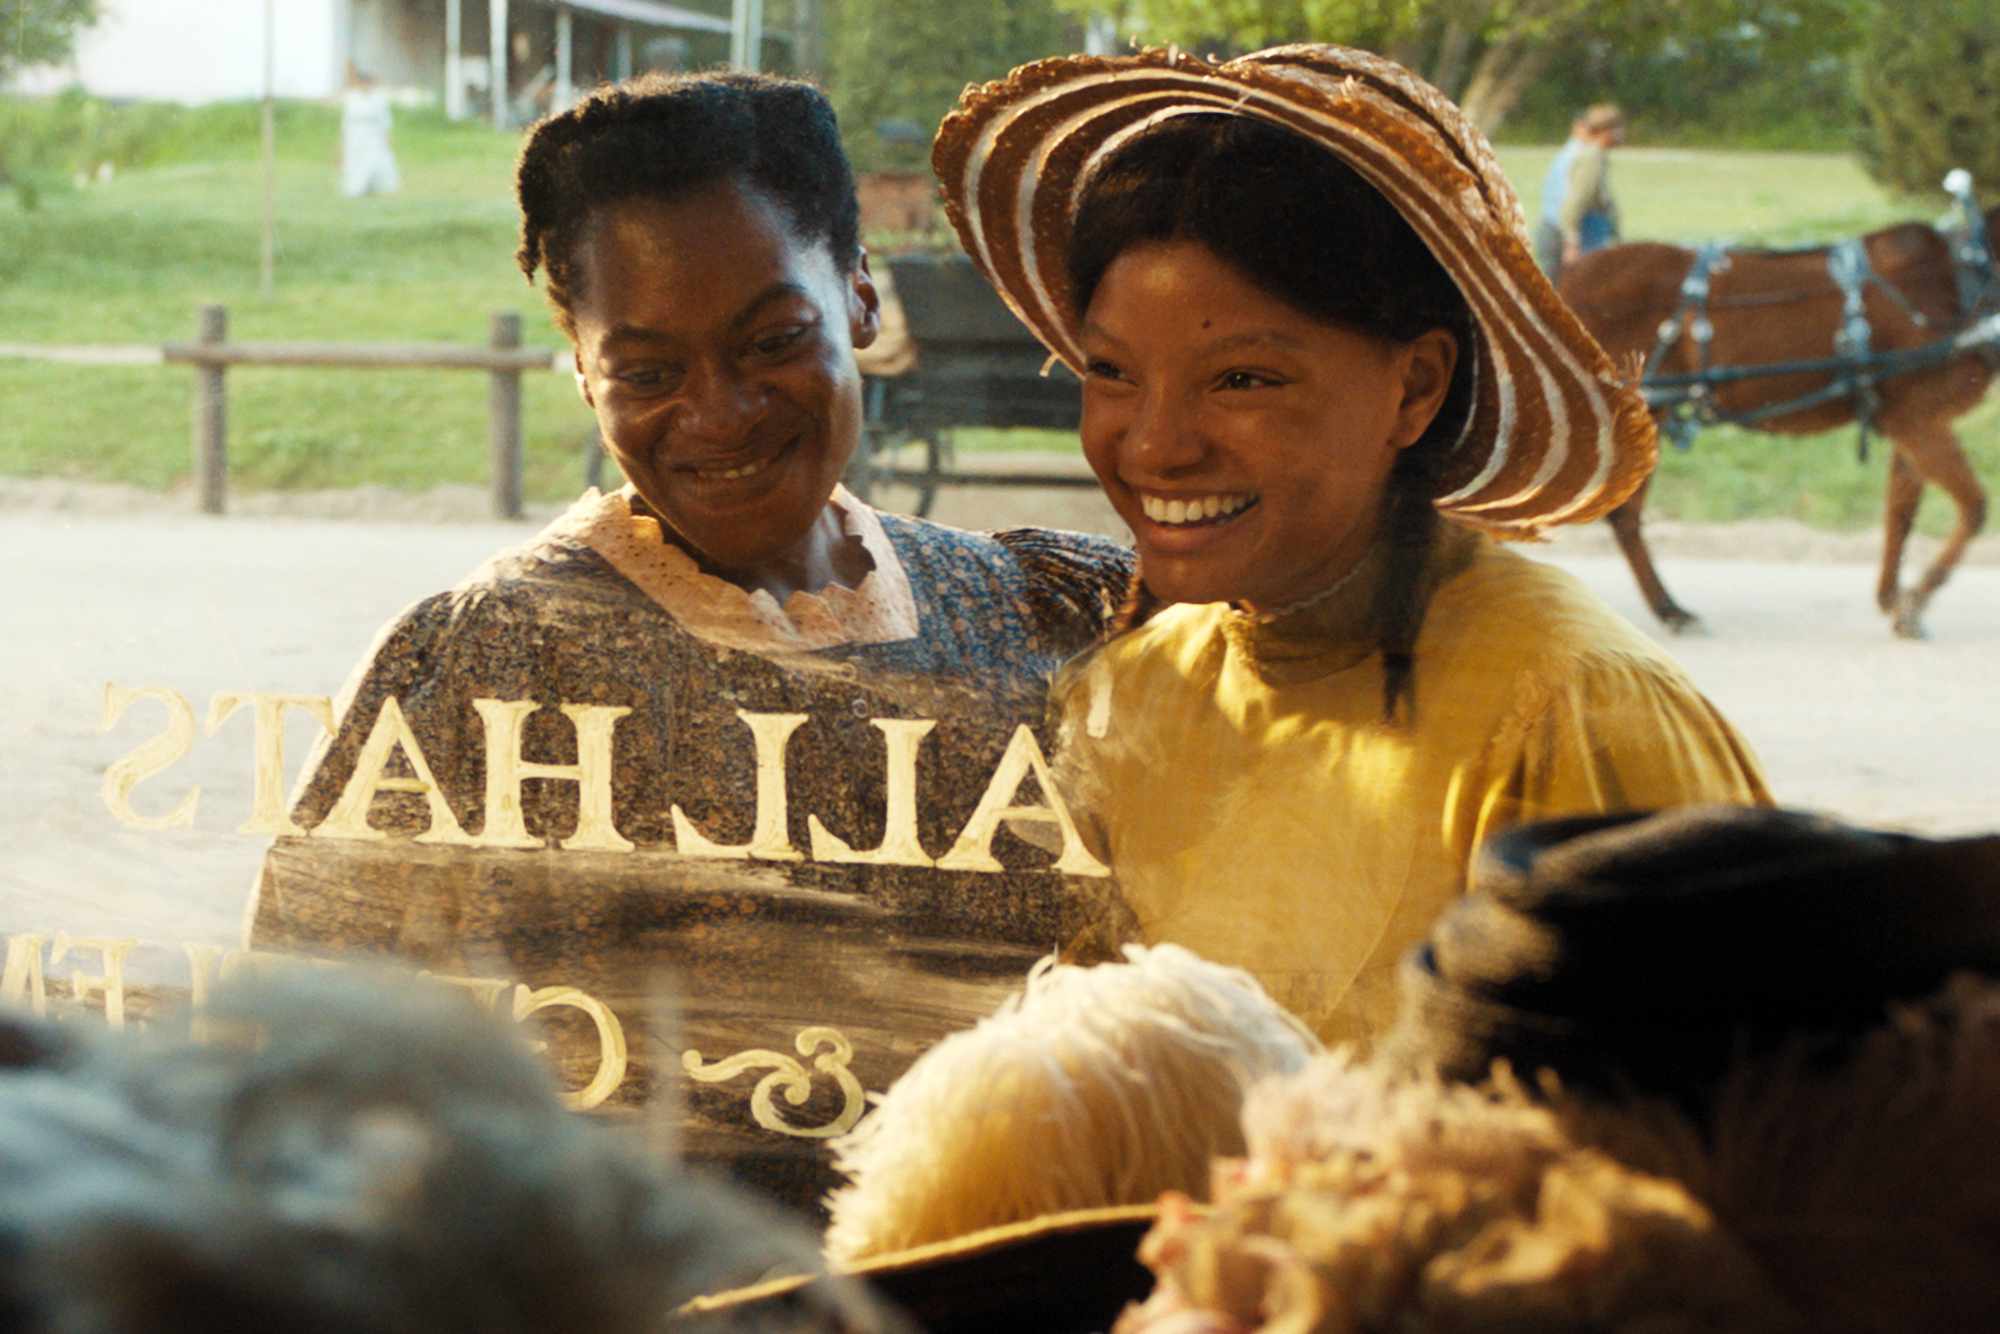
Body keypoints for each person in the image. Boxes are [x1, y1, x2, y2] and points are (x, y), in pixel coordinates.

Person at [249, 71, 1133, 1218]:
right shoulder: (478, 668)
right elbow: (287, 1085)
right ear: (581, 369)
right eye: (648, 372)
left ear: (861, 299)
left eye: (771, 341)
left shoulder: (1043, 611)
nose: (717, 412)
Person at [930, 45, 1768, 1048]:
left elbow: (1722, 1157)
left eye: (1240, 378)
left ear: (1412, 387)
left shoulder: (1570, 713)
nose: (1153, 442)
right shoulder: (1131, 694)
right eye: (1110, 371)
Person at [1535, 102, 1625, 278]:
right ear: (1606, 131)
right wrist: (1572, 245)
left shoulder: (1587, 154)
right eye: (1619, 128)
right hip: (1569, 238)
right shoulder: (1591, 158)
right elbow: (1574, 204)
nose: (1622, 134)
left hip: (1561, 233)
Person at [339, 64, 400, 198]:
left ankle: (373, 187)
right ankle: (355, 188)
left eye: (368, 83)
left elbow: (385, 120)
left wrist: (387, 137)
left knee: (374, 160)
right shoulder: (352, 98)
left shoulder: (379, 99)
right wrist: (343, 141)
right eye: (362, 83)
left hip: (372, 136)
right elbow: (346, 121)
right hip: (354, 135)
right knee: (355, 161)